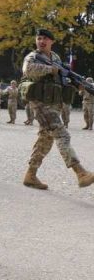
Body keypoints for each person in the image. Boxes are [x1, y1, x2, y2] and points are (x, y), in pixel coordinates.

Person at [21, 28, 94, 190]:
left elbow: (61, 77)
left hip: (54, 103)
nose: (41, 41)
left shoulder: (55, 57)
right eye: (39, 38)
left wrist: (75, 83)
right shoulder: (32, 57)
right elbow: (28, 70)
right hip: (40, 103)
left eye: (45, 39)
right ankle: (80, 172)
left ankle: (30, 175)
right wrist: (51, 69)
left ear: (51, 42)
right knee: (62, 134)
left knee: (45, 139)